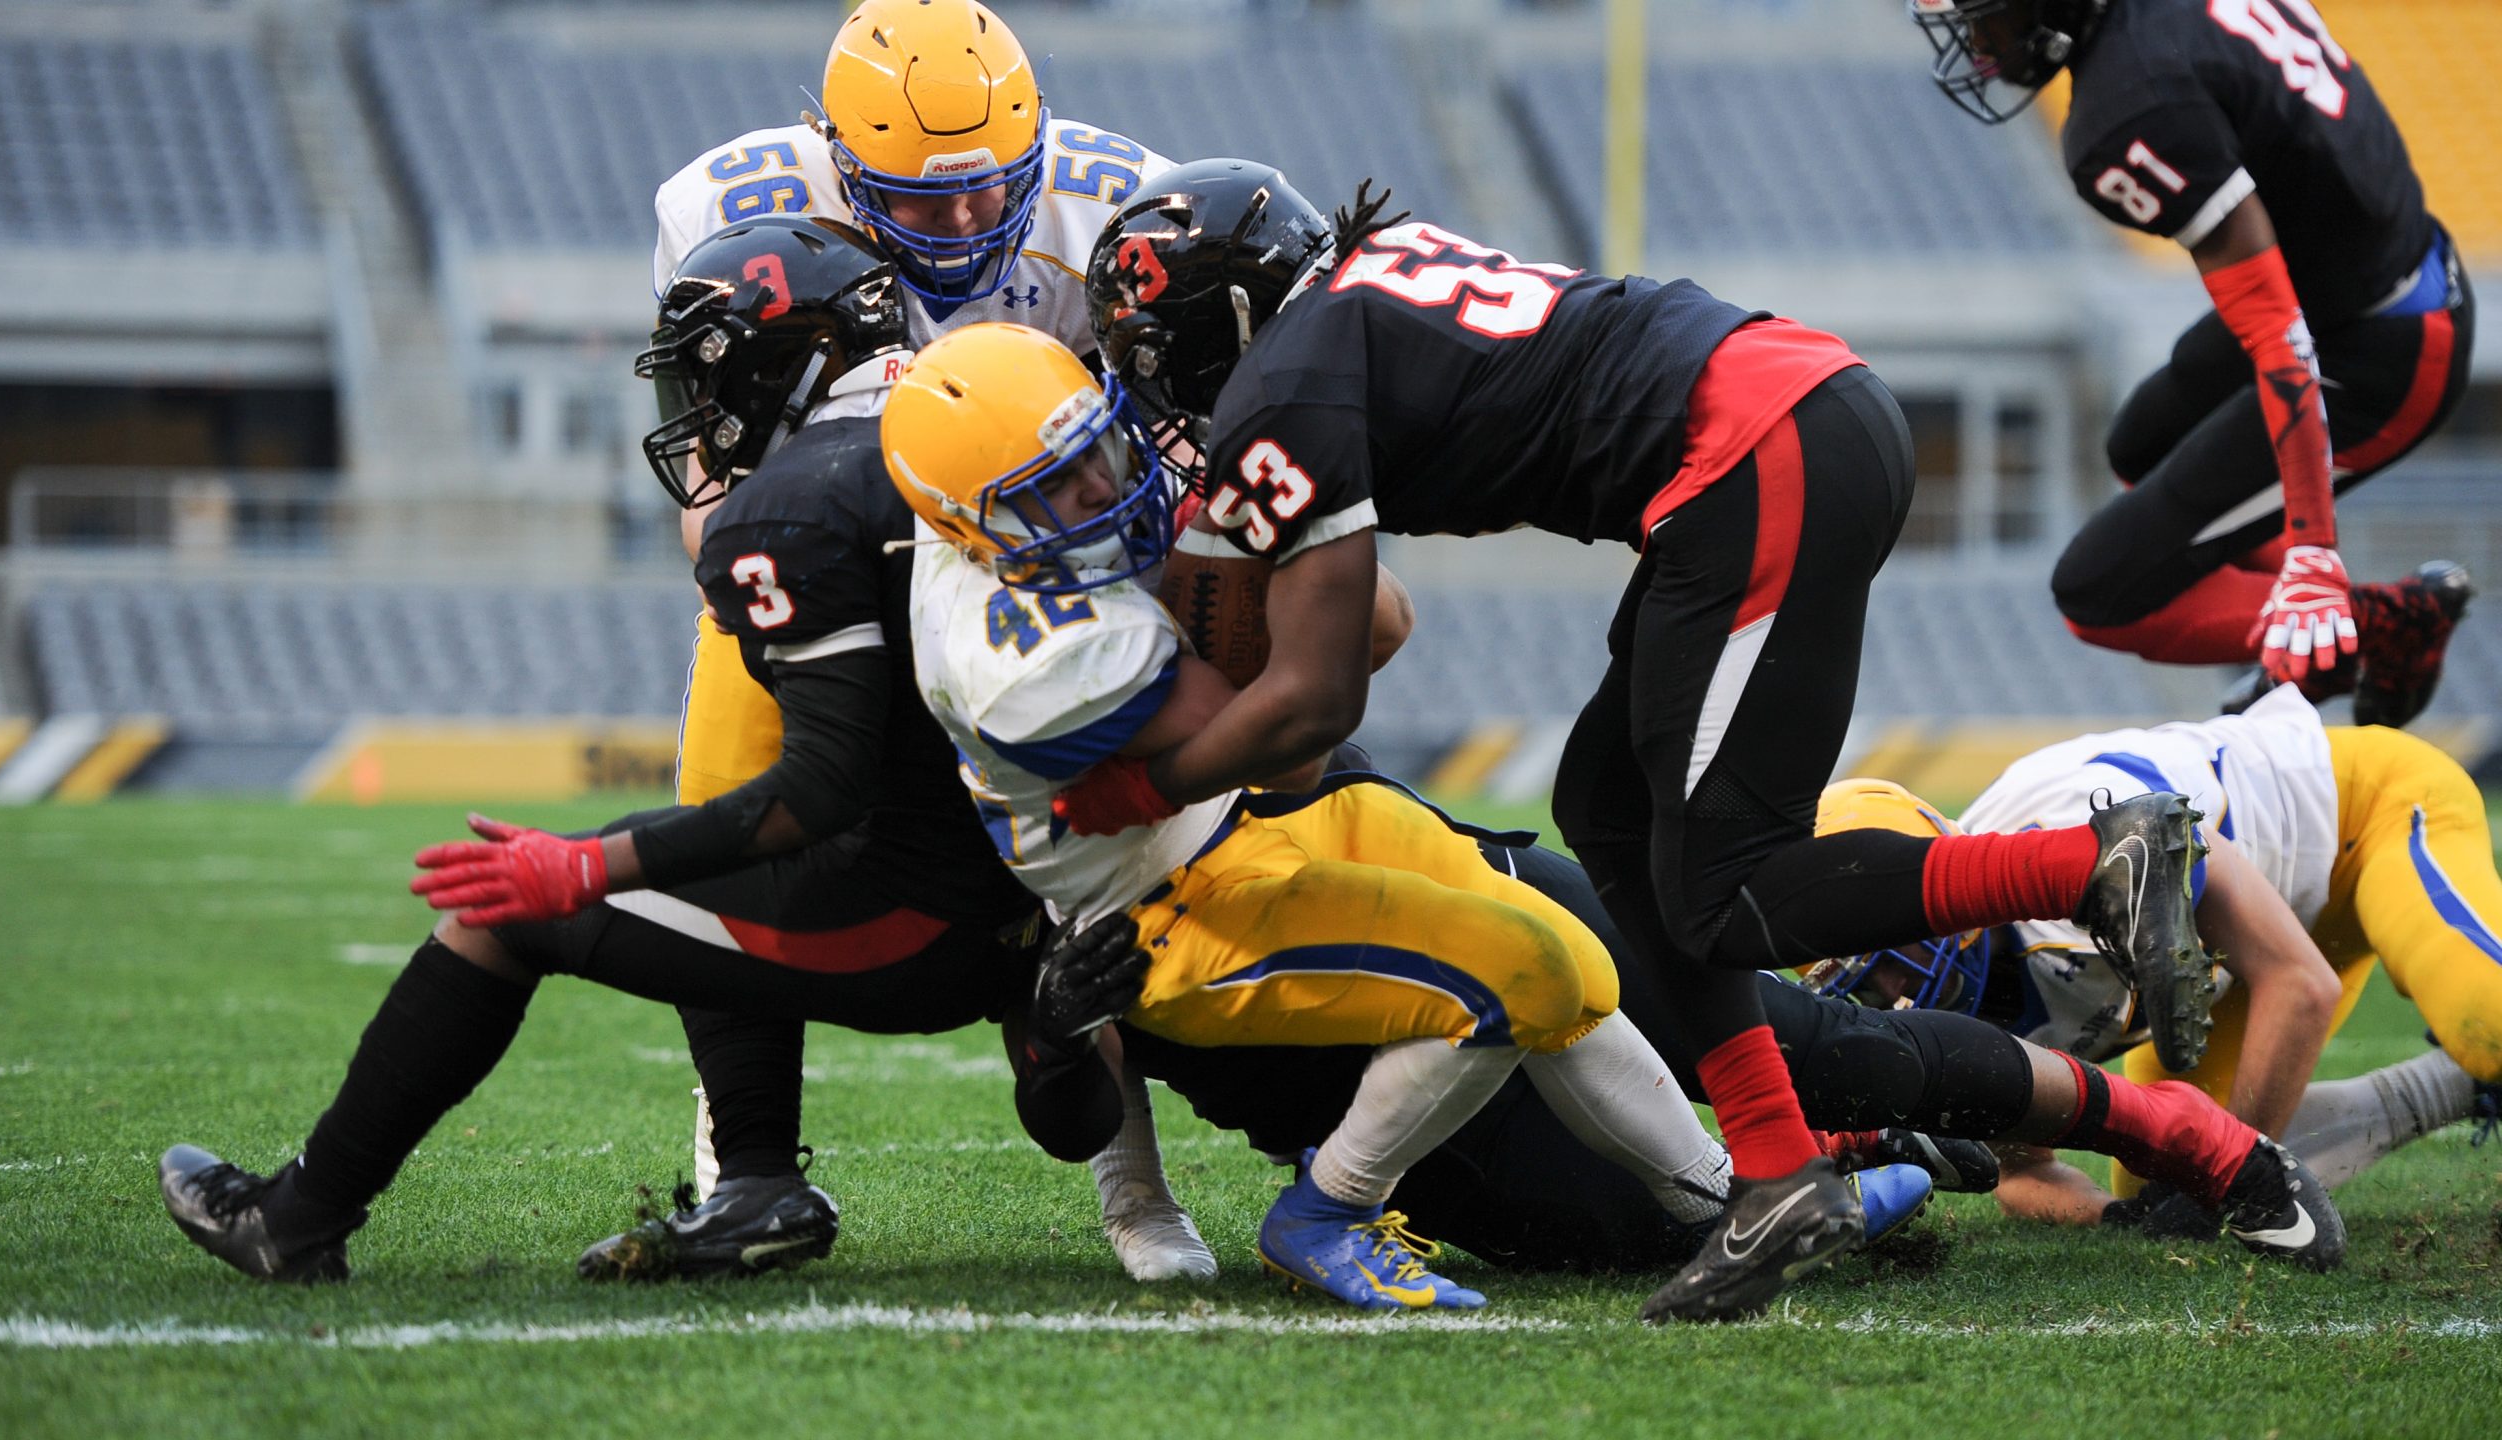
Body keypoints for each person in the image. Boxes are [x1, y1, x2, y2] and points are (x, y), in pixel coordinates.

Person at [1060, 157, 2216, 1322]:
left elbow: (1315, 703)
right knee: (1606, 814)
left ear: (1218, 321)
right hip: (1777, 424)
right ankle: (1775, 1176)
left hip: (1752, 453)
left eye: (1157, 358)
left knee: (1728, 893)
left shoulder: (1284, 388)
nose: (1166, 394)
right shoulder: (1348, 302)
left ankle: (2086, 866)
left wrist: (1139, 787)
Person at [156, 221, 1039, 1284]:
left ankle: (296, 1217)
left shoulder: (800, 501)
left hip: (921, 924)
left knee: (513, 908)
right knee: (705, 859)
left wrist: (583, 866)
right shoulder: (995, 421)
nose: (701, 416)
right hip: (1051, 889)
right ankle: (759, 1180)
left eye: (709, 381)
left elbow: (819, 788)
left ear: (780, 364)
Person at [885, 321, 1800, 1313]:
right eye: (1054, 486)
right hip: (1168, 907)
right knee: (1517, 977)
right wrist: (1235, 530)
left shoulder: (996, 509)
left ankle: (1728, 1199)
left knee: (1577, 962)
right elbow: (1296, 738)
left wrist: (1233, 510)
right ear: (975, 526)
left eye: (1091, 449)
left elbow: (1386, 622)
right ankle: (1329, 1211)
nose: (1101, 486)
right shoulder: (1029, 657)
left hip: (1245, 823)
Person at [641, 0, 1194, 1278]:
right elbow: (713, 500)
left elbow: (1169, 463)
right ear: (835, 159)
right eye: (920, 200)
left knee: (1081, 868)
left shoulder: (1119, 210)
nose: (965, 222)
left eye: (992, 188)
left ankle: (1133, 1180)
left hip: (1034, 562)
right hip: (830, 553)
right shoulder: (724, 211)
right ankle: (748, 1165)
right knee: (721, 817)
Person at [1017, 823, 2347, 1274]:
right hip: (1376, 1095)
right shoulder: (1018, 844)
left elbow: (1351, 650)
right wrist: (1061, 1041)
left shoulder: (1184, 649)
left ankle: (2194, 1137)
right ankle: (1852, 1173)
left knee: (1820, 1040)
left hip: (1478, 909)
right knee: (1632, 1237)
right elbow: (1078, 1115)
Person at [1907, 0, 2476, 723]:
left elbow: (2278, 337)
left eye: (1984, 17)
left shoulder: (2128, 110)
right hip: (2354, 280)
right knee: (2140, 444)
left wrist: (2313, 552)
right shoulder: (2151, 47)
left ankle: (2383, 623)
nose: (1979, 43)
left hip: (2383, 345)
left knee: (2097, 592)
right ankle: (2315, 643)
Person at [1813, 684, 2502, 1235]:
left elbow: (2298, 983)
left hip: (2357, 817)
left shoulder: (2078, 839)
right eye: (1859, 977)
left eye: (1886, 948)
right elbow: (2023, 1174)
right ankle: (2446, 1089)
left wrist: (2235, 1178)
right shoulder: (1958, 999)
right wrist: (2122, 1219)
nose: (1890, 989)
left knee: (2489, 1025)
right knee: (2166, 1177)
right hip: (2248, 950)